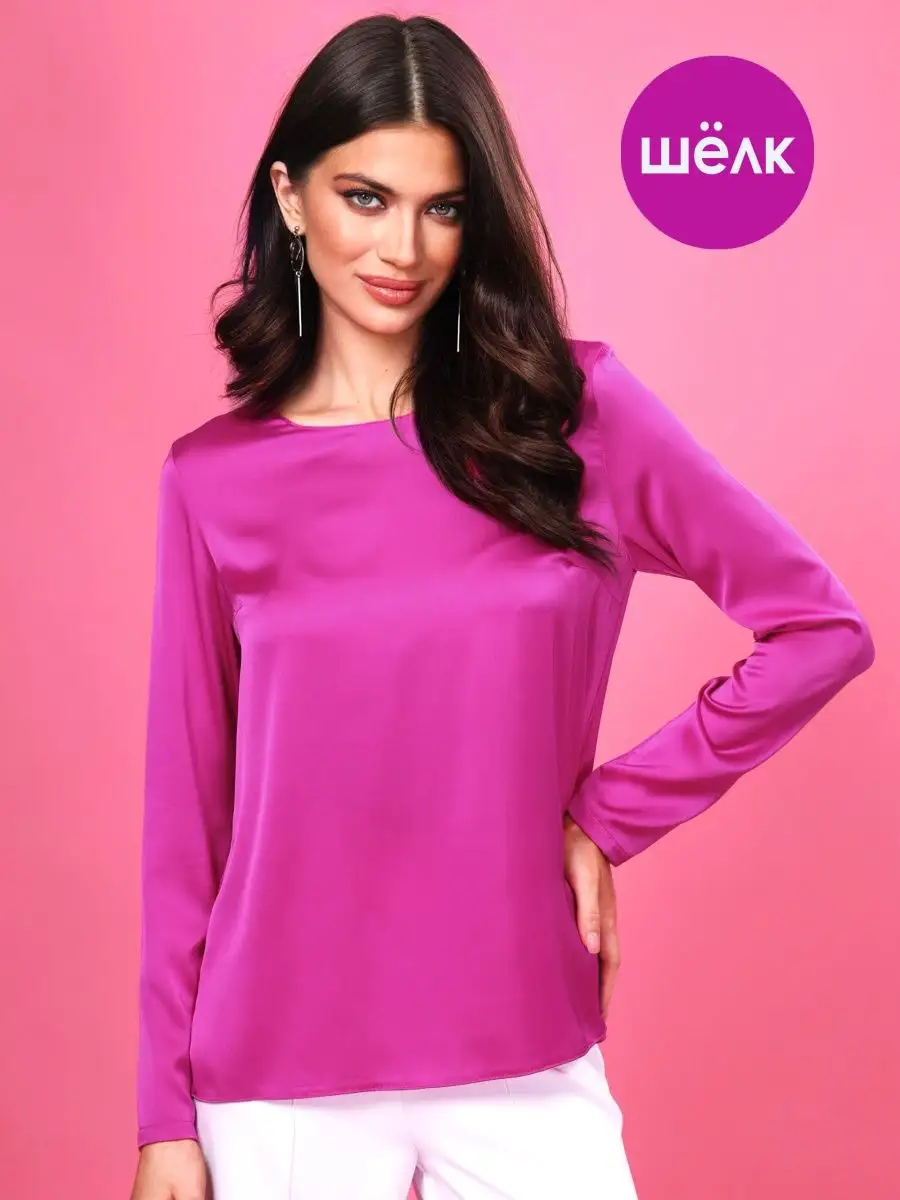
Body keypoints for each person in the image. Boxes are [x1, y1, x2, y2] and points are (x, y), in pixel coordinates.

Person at [128, 13, 875, 1200]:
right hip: (274, 1073)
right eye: (365, 198)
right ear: (290, 196)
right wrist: (164, 1117)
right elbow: (188, 821)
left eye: (444, 207)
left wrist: (609, 815)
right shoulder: (212, 481)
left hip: (522, 1041)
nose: (403, 248)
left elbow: (820, 631)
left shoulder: (578, 414)